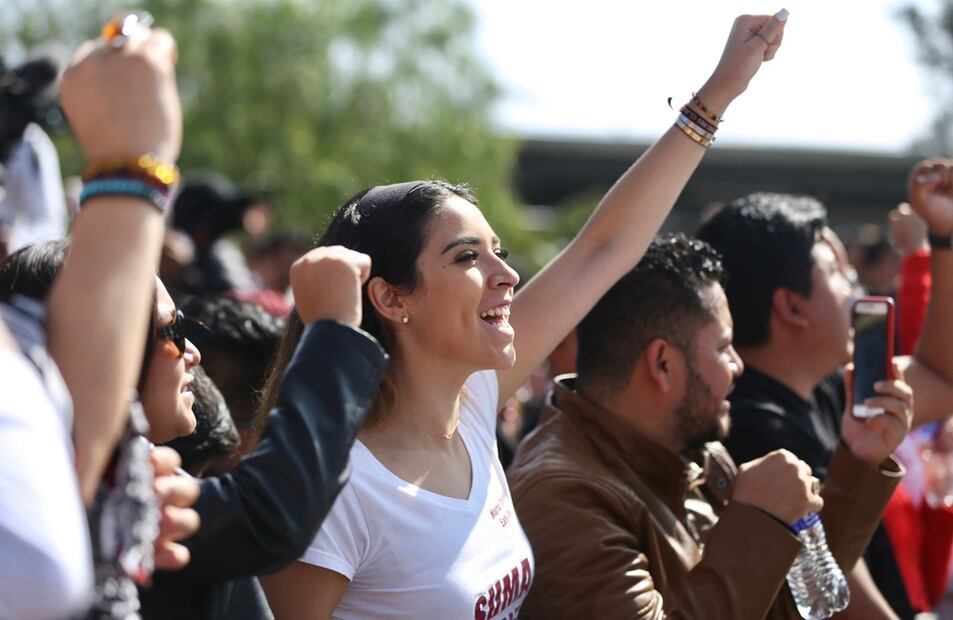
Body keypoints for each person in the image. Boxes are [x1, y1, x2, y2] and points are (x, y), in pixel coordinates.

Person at [261, 11, 790, 618]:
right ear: (390, 297)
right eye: (467, 257)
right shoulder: (338, 487)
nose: (507, 276)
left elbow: (603, 249)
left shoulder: (475, 409)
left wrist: (719, 92)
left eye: (500, 253)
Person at [507, 234, 910, 619]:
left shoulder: (689, 450)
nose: (738, 365)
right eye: (722, 347)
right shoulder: (564, 496)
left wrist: (859, 460)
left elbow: (784, 610)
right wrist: (758, 523)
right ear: (663, 364)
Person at [696, 160, 953, 618]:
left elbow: (942, 379)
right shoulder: (756, 431)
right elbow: (840, 600)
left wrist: (945, 238)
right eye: (839, 273)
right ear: (793, 308)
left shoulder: (827, 387)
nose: (856, 291)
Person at [139, 246, 389, 620]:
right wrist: (334, 335)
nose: (192, 351)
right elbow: (266, 514)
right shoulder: (108, 488)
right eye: (171, 329)